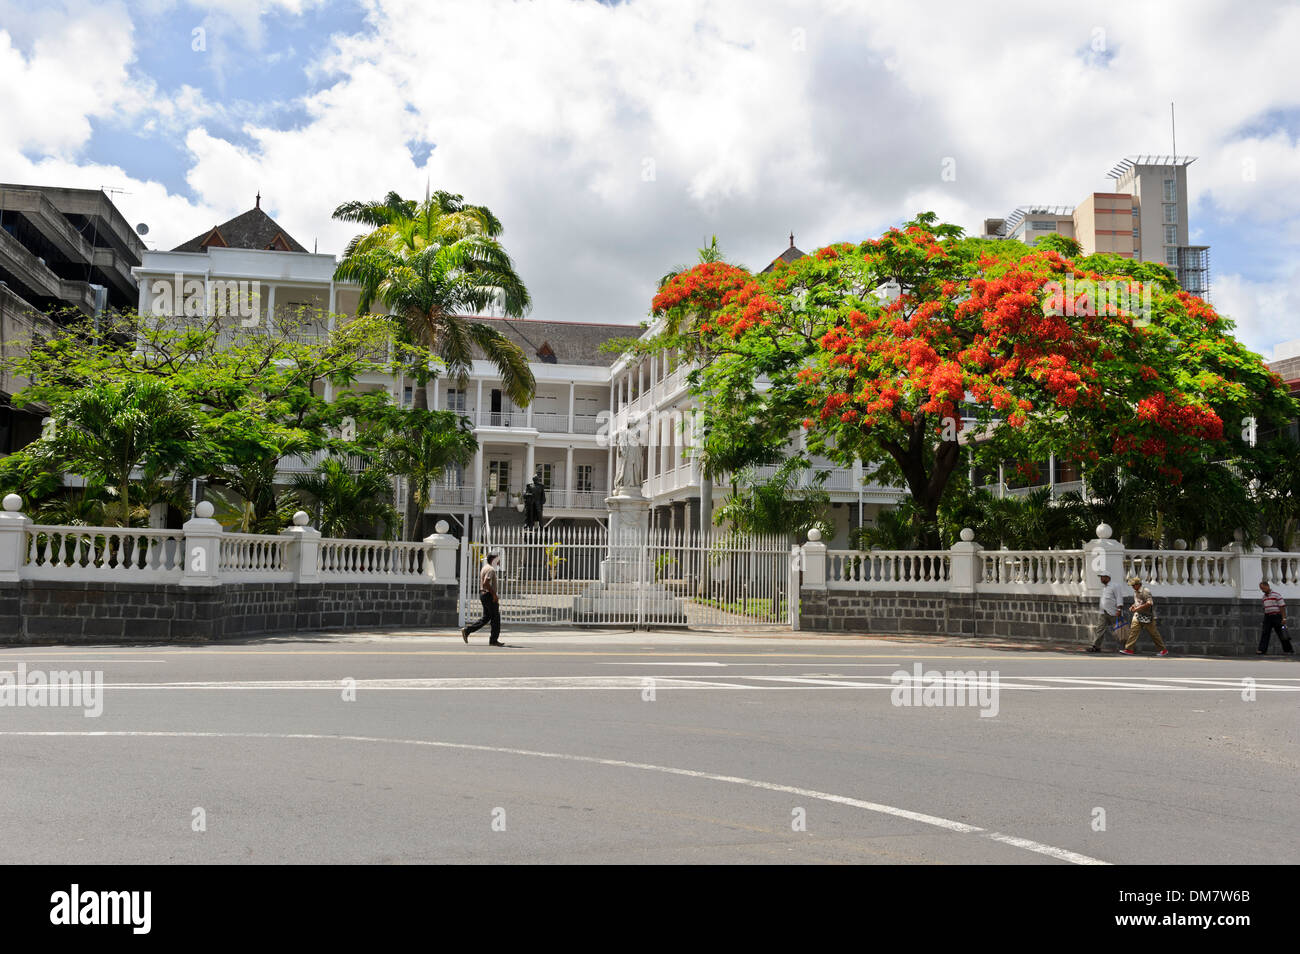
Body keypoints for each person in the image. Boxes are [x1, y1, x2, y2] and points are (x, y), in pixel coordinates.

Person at [1120, 575, 1168, 657]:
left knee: (1154, 634)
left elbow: (1149, 603)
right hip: (1138, 615)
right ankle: (1129, 649)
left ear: (1138, 584)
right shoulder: (1136, 592)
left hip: (1147, 617)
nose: (1132, 587)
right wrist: (1133, 606)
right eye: (1132, 585)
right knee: (1133, 632)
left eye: (1133, 585)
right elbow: (1138, 602)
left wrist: (1137, 608)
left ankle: (1163, 650)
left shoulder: (1145, 591)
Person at [461, 553, 503, 646]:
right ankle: (493, 640)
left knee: (486, 617)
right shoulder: (490, 569)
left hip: (483, 594)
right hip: (488, 595)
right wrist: (494, 595)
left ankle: (467, 631)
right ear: (494, 560)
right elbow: (486, 583)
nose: (499, 562)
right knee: (496, 618)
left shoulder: (485, 567)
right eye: (498, 560)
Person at [1086, 572, 1127, 652]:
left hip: (1114, 612)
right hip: (1103, 612)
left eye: (1103, 577)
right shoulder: (1104, 588)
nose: (1101, 579)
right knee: (1100, 629)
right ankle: (1096, 646)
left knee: (1120, 631)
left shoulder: (1115, 586)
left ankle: (1128, 647)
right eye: (1101, 577)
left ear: (1108, 577)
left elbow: (1119, 598)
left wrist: (1119, 610)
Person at [1257, 580, 1295, 655]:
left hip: (1277, 616)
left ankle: (1289, 650)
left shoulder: (1276, 595)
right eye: (1261, 589)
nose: (1262, 590)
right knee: (1265, 633)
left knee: (1282, 633)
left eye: (1263, 588)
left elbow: (1282, 607)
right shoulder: (1264, 597)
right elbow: (1265, 608)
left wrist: (1284, 618)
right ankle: (1262, 650)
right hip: (1268, 617)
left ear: (1267, 586)